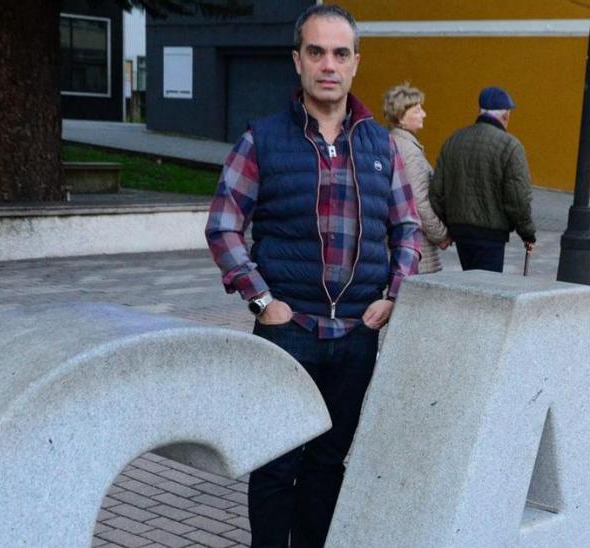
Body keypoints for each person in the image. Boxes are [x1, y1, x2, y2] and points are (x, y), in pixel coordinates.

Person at [203, 5, 421, 547]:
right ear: (297, 60)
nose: (329, 64)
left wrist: (394, 294)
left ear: (355, 64)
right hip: (287, 331)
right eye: (317, 52)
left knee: (328, 462)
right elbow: (224, 226)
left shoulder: (381, 146)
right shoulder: (264, 139)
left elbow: (409, 229)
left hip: (355, 336)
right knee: (275, 465)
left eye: (340, 53)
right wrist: (261, 301)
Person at [429, 86, 536, 272]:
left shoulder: (454, 140)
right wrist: (527, 233)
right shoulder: (510, 146)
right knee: (487, 291)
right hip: (492, 235)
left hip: (460, 231)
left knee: (469, 284)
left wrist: (449, 223)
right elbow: (518, 198)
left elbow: (437, 191)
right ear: (506, 116)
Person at [384, 83, 449, 273]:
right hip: (417, 248)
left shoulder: (391, 141)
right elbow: (418, 201)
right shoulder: (409, 151)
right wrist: (441, 234)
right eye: (418, 109)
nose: (424, 114)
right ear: (401, 116)